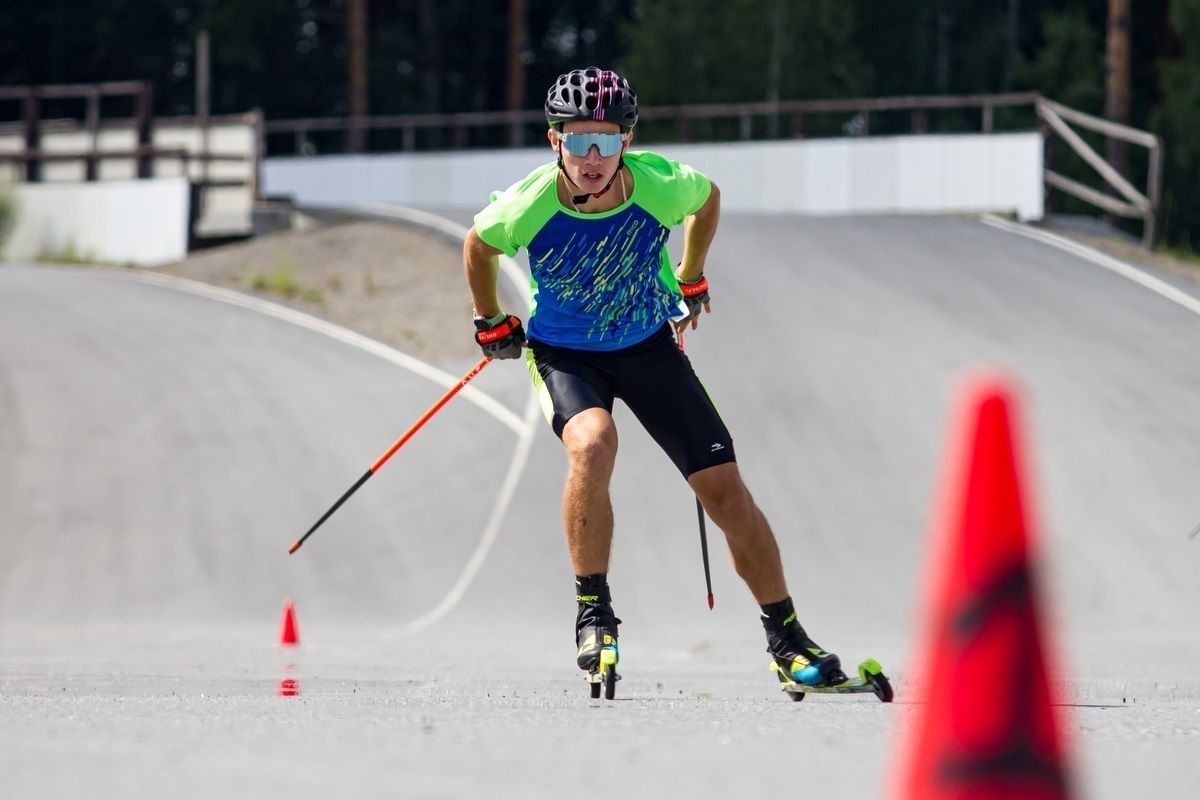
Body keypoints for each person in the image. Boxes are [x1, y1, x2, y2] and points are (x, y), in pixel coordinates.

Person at [462, 66, 847, 688]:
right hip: (566, 354)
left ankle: (788, 640)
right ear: (553, 141)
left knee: (726, 492)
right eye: (578, 140)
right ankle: (594, 613)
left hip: (648, 346)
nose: (592, 157)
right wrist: (489, 320)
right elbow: (479, 246)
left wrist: (692, 275)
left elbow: (708, 198)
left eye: (607, 141)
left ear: (628, 142)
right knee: (591, 443)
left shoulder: (661, 185)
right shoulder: (528, 203)